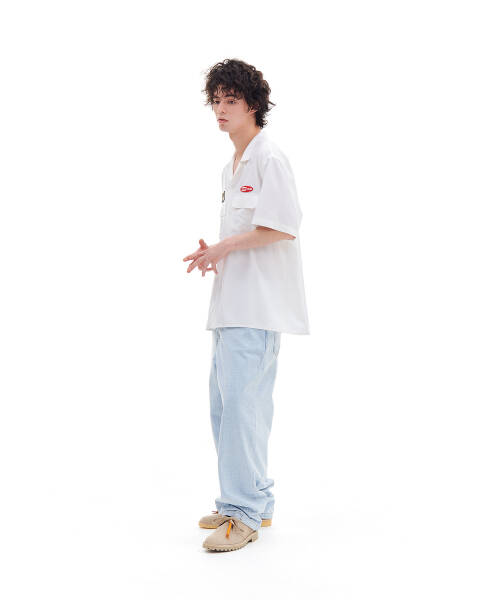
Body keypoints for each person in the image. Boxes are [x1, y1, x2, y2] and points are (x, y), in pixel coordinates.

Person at [182, 58, 310, 551]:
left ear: (253, 104)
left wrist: (223, 248)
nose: (221, 109)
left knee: (241, 410)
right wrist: (217, 253)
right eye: (215, 100)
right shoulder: (231, 166)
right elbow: (247, 230)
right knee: (226, 409)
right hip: (231, 306)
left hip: (258, 308)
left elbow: (283, 227)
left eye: (230, 100)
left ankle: (245, 515)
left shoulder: (269, 159)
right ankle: (250, 500)